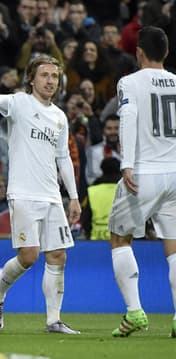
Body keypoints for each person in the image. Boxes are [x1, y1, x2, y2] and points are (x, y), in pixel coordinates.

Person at [0, 54, 81, 334]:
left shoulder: (60, 117)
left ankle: (53, 320)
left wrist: (73, 196)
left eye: (55, 76)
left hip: (52, 195)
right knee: (29, 256)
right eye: (45, 75)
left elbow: (63, 158)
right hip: (24, 193)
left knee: (58, 256)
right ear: (31, 78)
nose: (50, 81)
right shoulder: (20, 103)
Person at [107, 26, 176, 338]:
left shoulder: (130, 82)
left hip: (144, 171)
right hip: (174, 172)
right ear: (166, 53)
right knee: (174, 248)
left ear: (139, 53)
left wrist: (127, 164)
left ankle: (135, 312)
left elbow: (129, 118)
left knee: (120, 237)